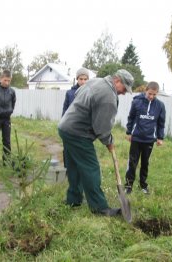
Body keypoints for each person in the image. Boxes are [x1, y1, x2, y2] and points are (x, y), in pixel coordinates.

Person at [58, 69, 134, 217]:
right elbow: (102, 128)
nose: (124, 93)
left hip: (65, 127)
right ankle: (99, 208)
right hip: (78, 133)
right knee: (90, 168)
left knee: (74, 166)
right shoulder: (108, 97)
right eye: (124, 89)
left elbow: (77, 94)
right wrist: (109, 142)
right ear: (117, 81)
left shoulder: (96, 81)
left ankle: (73, 200)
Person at [124, 81, 166, 195]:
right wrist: (129, 132)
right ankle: (128, 185)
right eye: (149, 94)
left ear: (157, 93)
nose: (151, 96)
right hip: (136, 138)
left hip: (149, 139)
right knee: (132, 162)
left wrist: (160, 137)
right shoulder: (137, 101)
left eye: (154, 94)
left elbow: (161, 123)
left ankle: (143, 185)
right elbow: (131, 117)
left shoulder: (160, 106)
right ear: (145, 90)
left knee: (145, 163)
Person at [61, 67, 90, 171]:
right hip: (69, 126)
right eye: (81, 79)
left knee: (81, 150)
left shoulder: (91, 93)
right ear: (77, 79)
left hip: (83, 128)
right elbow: (64, 111)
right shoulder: (70, 93)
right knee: (68, 149)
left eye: (85, 79)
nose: (83, 81)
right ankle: (68, 170)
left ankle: (80, 171)